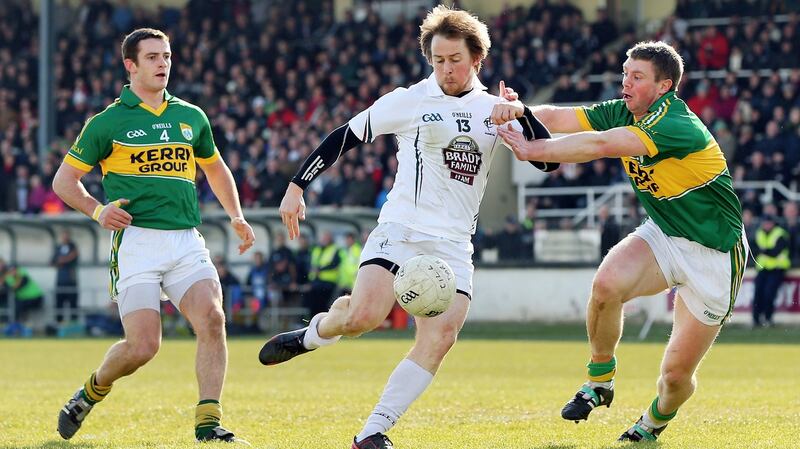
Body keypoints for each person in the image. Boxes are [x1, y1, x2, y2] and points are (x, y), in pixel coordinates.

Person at [258, 5, 550, 448]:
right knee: (362, 317)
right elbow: (345, 136)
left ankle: (372, 432)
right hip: (402, 229)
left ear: (477, 59)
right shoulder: (409, 100)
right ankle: (314, 335)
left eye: (454, 60)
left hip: (454, 245)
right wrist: (297, 186)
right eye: (437, 60)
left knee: (441, 337)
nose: (445, 69)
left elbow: (546, 160)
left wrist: (522, 114)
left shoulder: (495, 109)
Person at [492, 41, 747, 442]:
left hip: (714, 254)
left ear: (664, 86)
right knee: (607, 285)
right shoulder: (625, 110)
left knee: (675, 377)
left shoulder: (675, 125)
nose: (625, 82)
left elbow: (602, 145)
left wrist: (536, 150)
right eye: (625, 73)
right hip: (665, 232)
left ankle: (652, 424)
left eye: (636, 76)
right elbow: (560, 115)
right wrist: (518, 112)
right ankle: (600, 380)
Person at [52, 28, 255, 443]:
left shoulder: (191, 116)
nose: (163, 63)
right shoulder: (106, 122)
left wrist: (236, 215)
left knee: (213, 319)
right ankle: (90, 392)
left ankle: (208, 422)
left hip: (185, 240)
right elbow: (64, 181)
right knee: (143, 347)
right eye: (152, 57)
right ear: (131, 66)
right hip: (137, 244)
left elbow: (214, 168)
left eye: (166, 56)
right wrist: (97, 210)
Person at [752, 214, 789, 328]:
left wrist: (763, 250)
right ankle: (756, 320)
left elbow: (776, 252)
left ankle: (768, 319)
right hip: (762, 269)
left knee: (769, 294)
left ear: (773, 223)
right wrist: (766, 251)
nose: (767, 225)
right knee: (758, 294)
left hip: (776, 269)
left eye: (769, 223)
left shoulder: (780, 234)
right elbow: (754, 249)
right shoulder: (759, 233)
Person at [52, 229, 79, 323]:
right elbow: (53, 261)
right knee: (59, 302)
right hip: (60, 280)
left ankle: (73, 322)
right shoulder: (58, 247)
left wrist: (62, 260)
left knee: (73, 302)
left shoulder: (73, 246)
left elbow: (74, 256)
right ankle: (59, 323)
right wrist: (67, 259)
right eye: (63, 235)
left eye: (66, 235)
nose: (65, 237)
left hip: (71, 279)